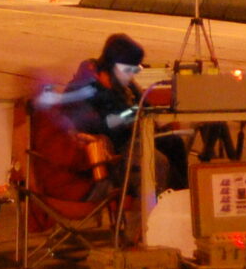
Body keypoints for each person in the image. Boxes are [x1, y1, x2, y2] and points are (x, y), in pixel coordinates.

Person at [36, 33, 187, 196]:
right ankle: (157, 207)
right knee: (157, 162)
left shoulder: (123, 85)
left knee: (174, 143)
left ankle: (182, 199)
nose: (132, 74)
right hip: (109, 154)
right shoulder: (85, 89)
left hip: (132, 139)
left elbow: (144, 106)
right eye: (129, 69)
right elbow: (104, 125)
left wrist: (147, 111)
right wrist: (132, 113)